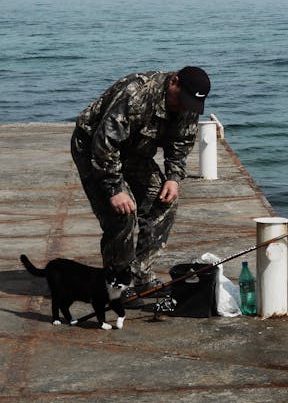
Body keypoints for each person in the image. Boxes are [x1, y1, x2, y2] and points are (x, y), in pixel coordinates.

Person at [71, 67, 211, 304]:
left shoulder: (187, 104)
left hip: (136, 154)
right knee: (122, 215)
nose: (183, 107)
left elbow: (181, 142)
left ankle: (140, 273)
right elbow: (104, 144)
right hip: (93, 150)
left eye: (189, 104)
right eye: (181, 99)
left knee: (163, 203)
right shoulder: (136, 93)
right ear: (173, 82)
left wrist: (173, 178)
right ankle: (117, 283)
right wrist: (115, 189)